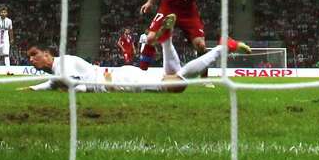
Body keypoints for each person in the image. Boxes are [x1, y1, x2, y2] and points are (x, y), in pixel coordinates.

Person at [22, 35, 250, 93]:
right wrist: (31, 88)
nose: (32, 60)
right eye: (30, 57)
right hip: (119, 76)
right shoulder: (58, 68)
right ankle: (166, 39)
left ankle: (222, 46)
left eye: (34, 55)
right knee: (174, 78)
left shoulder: (64, 64)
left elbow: (79, 86)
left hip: (120, 81)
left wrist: (67, 90)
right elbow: (52, 84)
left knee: (178, 84)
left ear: (47, 53)